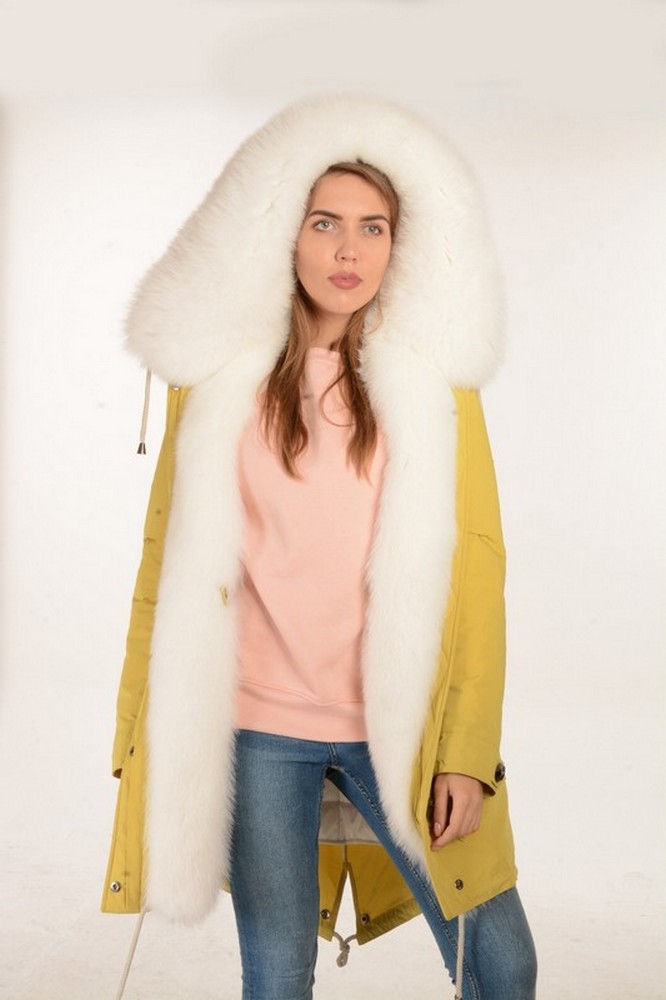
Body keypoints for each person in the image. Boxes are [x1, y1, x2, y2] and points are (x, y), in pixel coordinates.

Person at [102, 96, 538, 1000]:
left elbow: (477, 572)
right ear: (284, 235)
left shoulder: (432, 387)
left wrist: (466, 750)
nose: (349, 251)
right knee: (277, 978)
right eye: (325, 223)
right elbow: (164, 568)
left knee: (501, 964)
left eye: (373, 228)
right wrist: (137, 728)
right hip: (260, 728)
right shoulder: (219, 380)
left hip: (402, 731)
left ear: (399, 245)